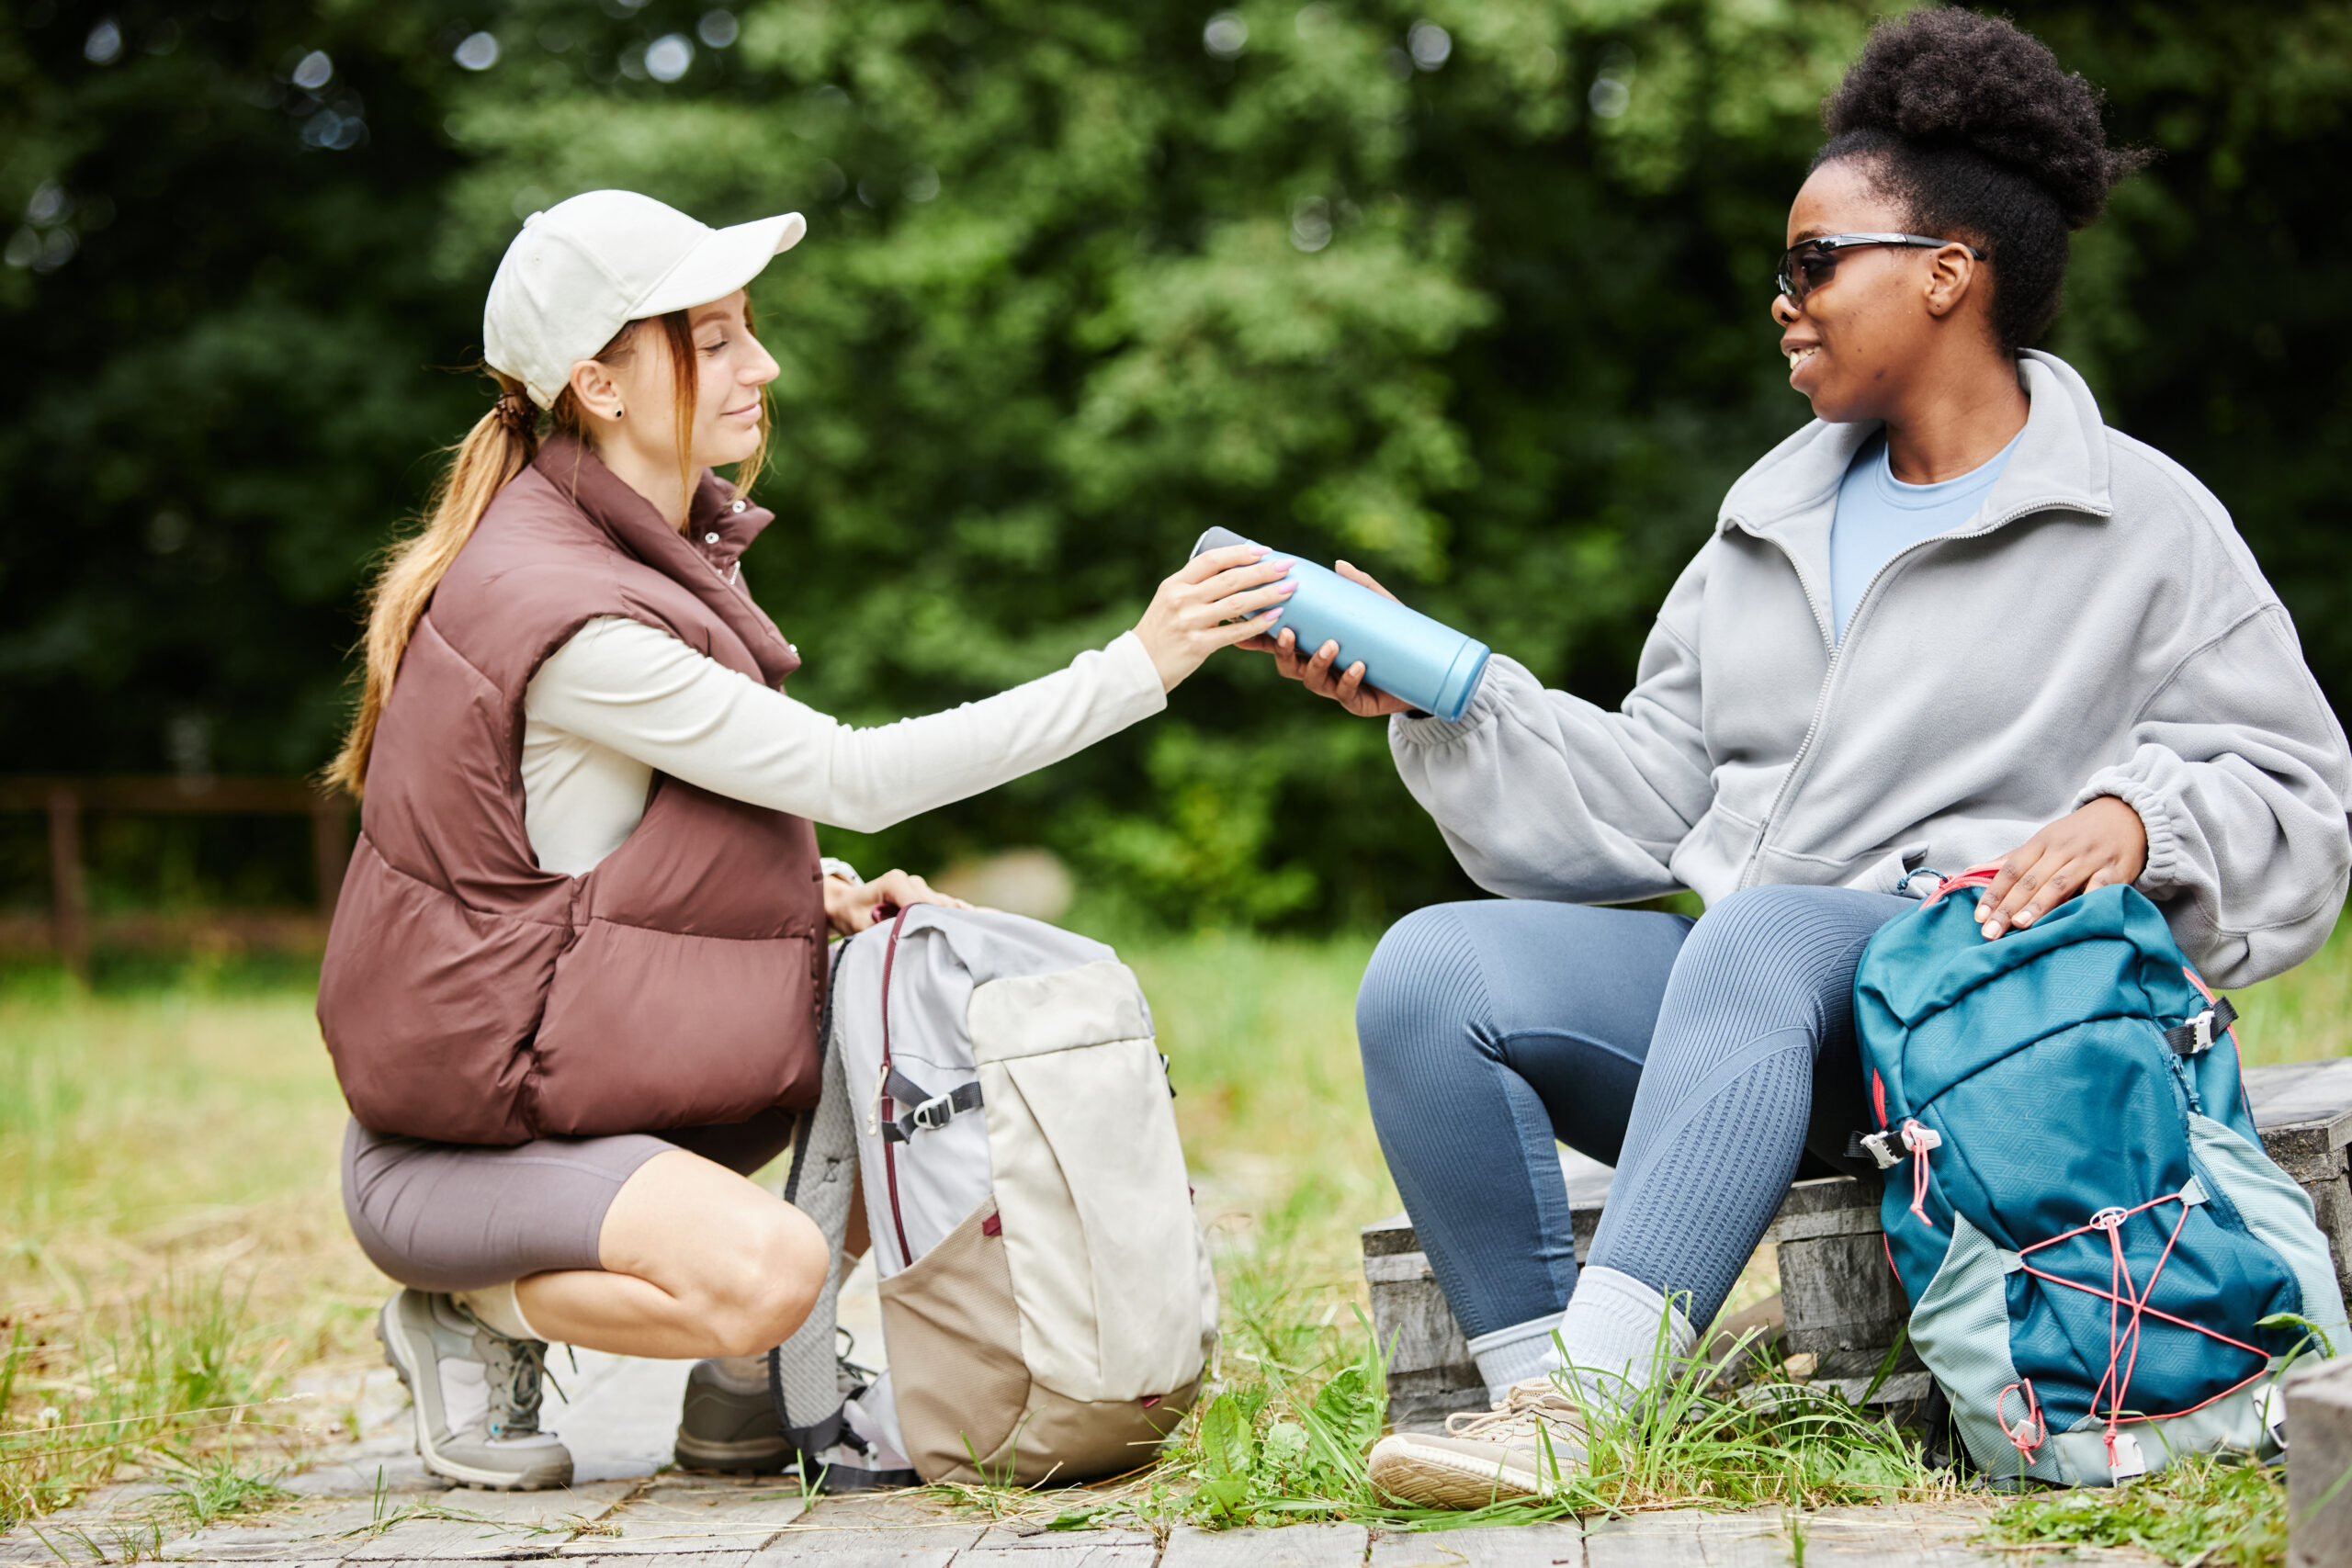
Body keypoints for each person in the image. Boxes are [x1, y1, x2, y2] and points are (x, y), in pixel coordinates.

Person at [1259, 11, 2352, 1507]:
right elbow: (1654, 802)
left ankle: (1591, 1405)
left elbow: (2301, 797)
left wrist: (2135, 819)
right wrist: (1445, 699)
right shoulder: (1768, 519)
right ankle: (1545, 1417)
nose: (1783, 303)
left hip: (1980, 1030)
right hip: (1752, 1035)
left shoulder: (2143, 522)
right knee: (1434, 975)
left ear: (1948, 271)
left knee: (1768, 933)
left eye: (1812, 263)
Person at [315, 190, 1295, 1491]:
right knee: (769, 1275)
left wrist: (806, 891)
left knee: (878, 986)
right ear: (599, 383)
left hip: (570, 1093)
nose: (760, 365)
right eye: (712, 339)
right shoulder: (573, 618)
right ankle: (472, 1311)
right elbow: (854, 770)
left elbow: (590, 856)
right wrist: (1137, 666)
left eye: (745, 331)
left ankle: (744, 1400)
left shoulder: (634, 546)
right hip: (465, 1157)